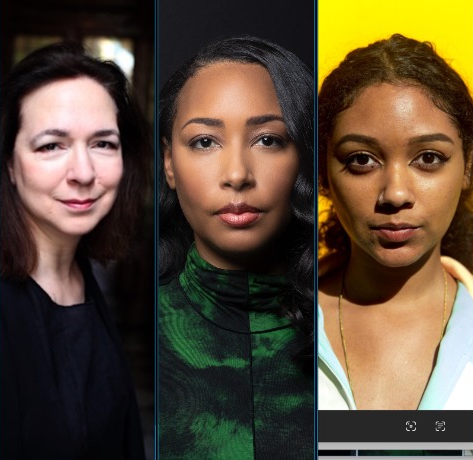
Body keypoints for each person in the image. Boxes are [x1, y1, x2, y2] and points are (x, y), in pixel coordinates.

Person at [157, 36, 313, 458]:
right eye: (205, 142)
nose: (237, 174)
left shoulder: (354, 331)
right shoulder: (131, 338)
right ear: (169, 163)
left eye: (268, 140)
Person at [0, 42, 147, 458]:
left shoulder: (85, 274)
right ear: (9, 163)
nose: (83, 173)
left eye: (103, 144)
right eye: (51, 145)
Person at [317, 34, 473, 411]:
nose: (396, 194)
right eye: (361, 160)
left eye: (429, 158)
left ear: (468, 167)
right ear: (323, 175)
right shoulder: (261, 332)